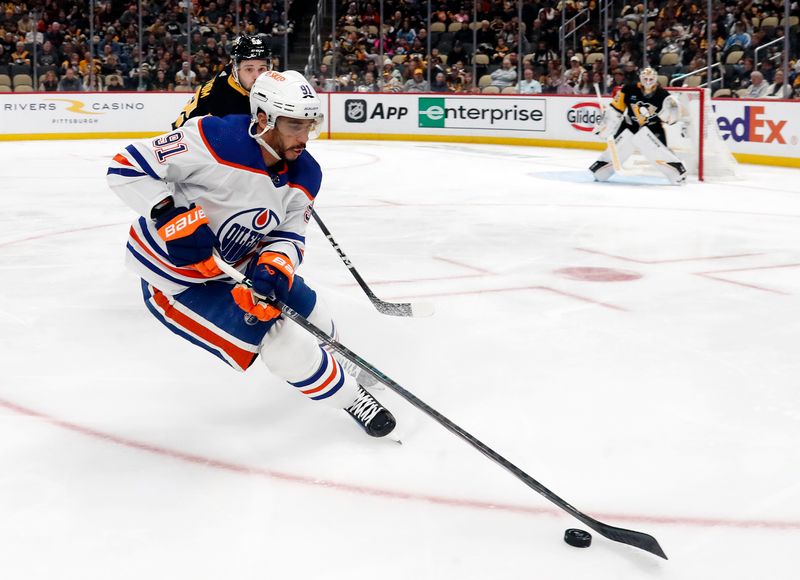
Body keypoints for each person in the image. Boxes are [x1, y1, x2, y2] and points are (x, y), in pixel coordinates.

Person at [106, 70, 396, 438]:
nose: (304, 138)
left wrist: (275, 265)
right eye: (294, 126)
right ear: (263, 119)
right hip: (179, 282)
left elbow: (290, 232)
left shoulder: (307, 173)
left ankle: (343, 365)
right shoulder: (213, 137)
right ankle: (351, 398)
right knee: (282, 343)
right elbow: (126, 166)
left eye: (310, 125)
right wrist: (170, 215)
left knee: (312, 310)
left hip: (237, 262)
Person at [589, 67, 688, 185]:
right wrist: (605, 125)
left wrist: (675, 113)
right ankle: (600, 171)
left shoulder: (663, 95)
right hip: (630, 125)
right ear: (640, 78)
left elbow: (670, 120)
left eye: (651, 79)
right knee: (617, 149)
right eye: (645, 78)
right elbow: (615, 109)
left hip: (653, 127)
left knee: (659, 152)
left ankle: (678, 174)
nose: (648, 81)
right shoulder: (628, 89)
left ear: (655, 79)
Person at [172, 34, 271, 129]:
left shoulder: (235, 69)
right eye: (249, 69)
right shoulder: (222, 100)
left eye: (262, 69)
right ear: (235, 68)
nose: (257, 77)